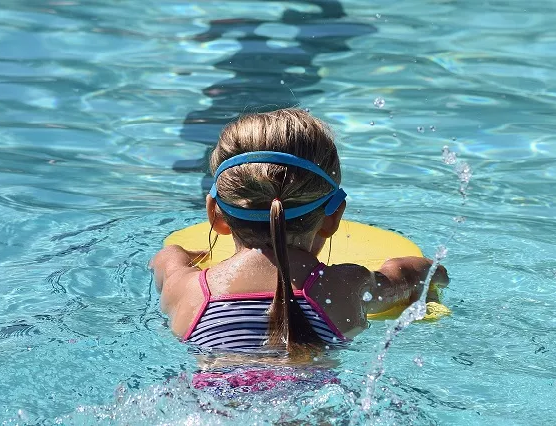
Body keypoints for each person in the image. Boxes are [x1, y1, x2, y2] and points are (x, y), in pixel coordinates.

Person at [151, 109, 448, 392]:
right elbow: (416, 273)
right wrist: (436, 277)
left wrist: (188, 255)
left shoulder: (188, 290)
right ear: (333, 217)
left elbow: (167, 258)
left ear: (216, 215)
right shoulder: (345, 286)